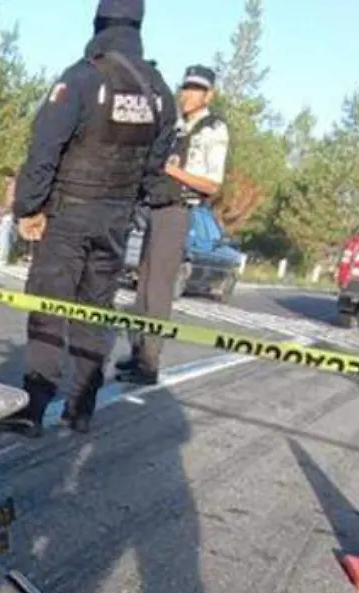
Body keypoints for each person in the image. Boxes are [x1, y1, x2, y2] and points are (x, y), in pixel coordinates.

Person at [0, 0, 176, 436]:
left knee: (47, 310)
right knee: (95, 313)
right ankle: (81, 408)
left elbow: (44, 149)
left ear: (98, 22)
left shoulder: (82, 77)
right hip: (117, 222)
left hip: (69, 217)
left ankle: (33, 409)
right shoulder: (158, 92)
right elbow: (154, 171)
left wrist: (29, 207)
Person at [115, 63, 229, 386]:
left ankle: (150, 362)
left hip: (178, 210)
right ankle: (138, 352)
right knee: (143, 286)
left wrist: (173, 172)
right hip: (155, 207)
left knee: (158, 290)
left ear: (209, 94)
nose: (187, 95)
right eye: (185, 88)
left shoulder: (212, 130)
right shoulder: (180, 126)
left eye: (195, 90)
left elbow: (212, 184)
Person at [0, 169, 19, 265]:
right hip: (10, 214)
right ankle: (7, 258)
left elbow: (9, 203)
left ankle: (2, 258)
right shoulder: (13, 186)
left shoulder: (12, 187)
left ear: (9, 177)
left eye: (5, 177)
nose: (4, 179)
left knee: (3, 236)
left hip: (8, 215)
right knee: (8, 236)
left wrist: (1, 214)